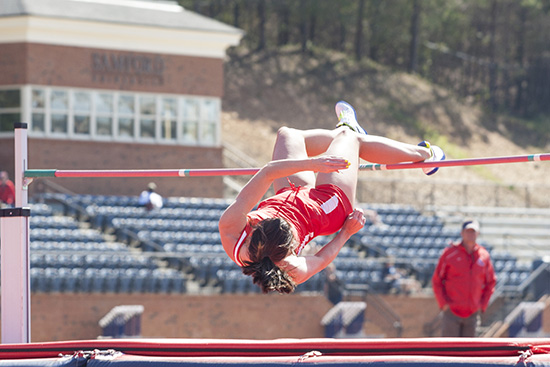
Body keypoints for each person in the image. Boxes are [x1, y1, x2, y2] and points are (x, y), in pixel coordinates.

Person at [218, 100, 446, 294]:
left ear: (254, 233)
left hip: (291, 192)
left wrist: (313, 163)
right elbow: (320, 260)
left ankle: (345, 132)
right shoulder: (291, 269)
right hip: (325, 209)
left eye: (260, 221)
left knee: (288, 135)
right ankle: (426, 156)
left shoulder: (230, 230)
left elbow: (268, 172)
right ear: (288, 248)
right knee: (351, 138)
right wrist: (346, 232)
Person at [432, 218, 497, 337]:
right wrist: (444, 304)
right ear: (462, 233)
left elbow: (491, 282)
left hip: (472, 314)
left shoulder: (484, 256)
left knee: (470, 352)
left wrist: (482, 304)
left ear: (478, 234)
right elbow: (437, 280)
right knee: (449, 351)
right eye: (468, 231)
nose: (470, 235)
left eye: (473, 232)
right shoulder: (450, 254)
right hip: (451, 312)